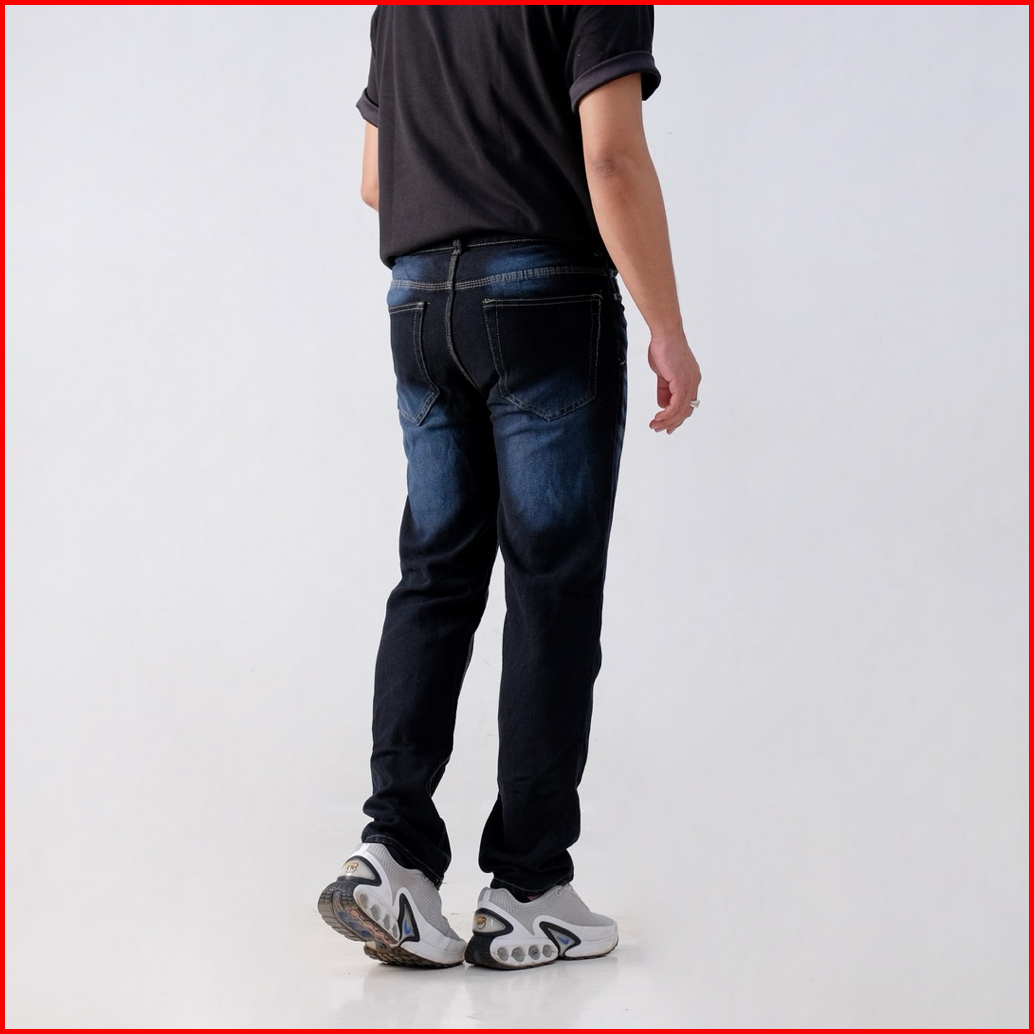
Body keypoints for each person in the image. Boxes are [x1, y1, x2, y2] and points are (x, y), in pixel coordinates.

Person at [319, 5, 701, 971]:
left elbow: (375, 181)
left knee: (435, 576)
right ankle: (528, 890)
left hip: (419, 303)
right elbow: (611, 158)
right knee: (550, 590)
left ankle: (394, 858)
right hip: (544, 300)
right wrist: (666, 326)